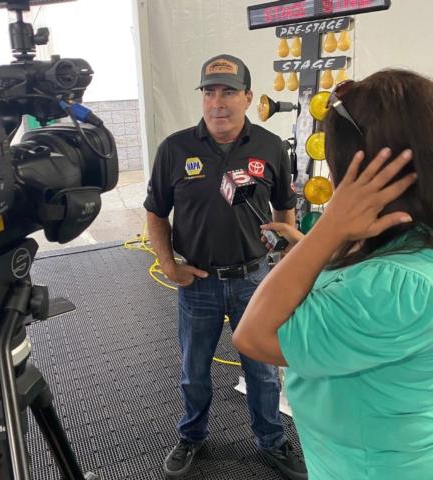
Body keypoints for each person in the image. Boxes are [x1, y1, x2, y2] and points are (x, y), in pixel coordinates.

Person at [233, 69, 433, 480]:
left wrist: (327, 230)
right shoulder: (410, 244)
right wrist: (316, 245)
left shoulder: (392, 289)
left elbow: (253, 335)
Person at [144, 54, 307, 479]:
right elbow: (155, 214)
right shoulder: (175, 149)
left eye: (229, 92)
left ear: (249, 97)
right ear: (202, 97)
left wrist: (284, 265)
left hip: (255, 280)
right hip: (197, 282)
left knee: (264, 372)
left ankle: (272, 441)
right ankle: (192, 437)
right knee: (193, 371)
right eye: (210, 92)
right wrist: (169, 266)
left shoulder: (272, 147)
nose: (218, 102)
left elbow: (286, 212)